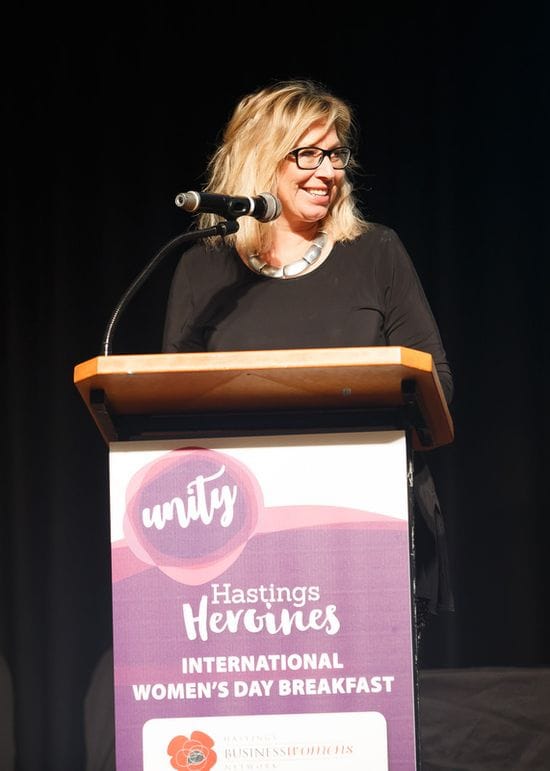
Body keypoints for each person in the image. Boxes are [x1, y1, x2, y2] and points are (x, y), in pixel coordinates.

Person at [162, 78, 454, 636]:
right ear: (261, 160)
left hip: (367, 528)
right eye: (308, 154)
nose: (328, 171)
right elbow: (169, 407)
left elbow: (437, 385)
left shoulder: (376, 253)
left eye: (336, 154)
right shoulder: (201, 269)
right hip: (233, 546)